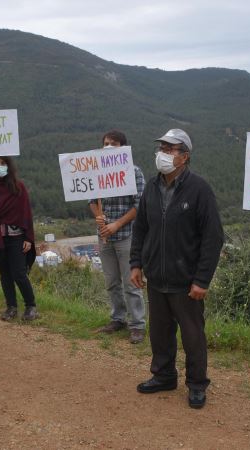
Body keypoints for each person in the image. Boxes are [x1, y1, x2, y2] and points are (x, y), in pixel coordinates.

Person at [130, 128, 224, 409]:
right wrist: (136, 263)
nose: (163, 154)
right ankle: (163, 375)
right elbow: (141, 228)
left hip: (187, 282)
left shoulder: (199, 189)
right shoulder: (151, 187)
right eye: (162, 148)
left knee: (193, 335)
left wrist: (202, 280)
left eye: (170, 149)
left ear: (185, 157)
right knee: (159, 333)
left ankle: (196, 384)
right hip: (156, 277)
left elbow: (213, 237)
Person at [90, 130, 147, 344]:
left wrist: (116, 224)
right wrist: (99, 218)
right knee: (111, 282)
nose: (108, 146)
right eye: (105, 143)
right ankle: (118, 319)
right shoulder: (96, 172)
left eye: (113, 143)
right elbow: (91, 201)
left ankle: (138, 325)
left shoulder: (134, 172)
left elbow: (139, 205)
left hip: (127, 236)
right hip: (104, 237)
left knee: (131, 282)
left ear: (123, 147)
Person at [0, 156, 38, 321]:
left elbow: (26, 214)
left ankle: (31, 306)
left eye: (3, 163)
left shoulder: (18, 188)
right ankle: (11, 307)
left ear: (9, 166)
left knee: (19, 273)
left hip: (17, 238)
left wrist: (28, 238)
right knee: (5, 274)